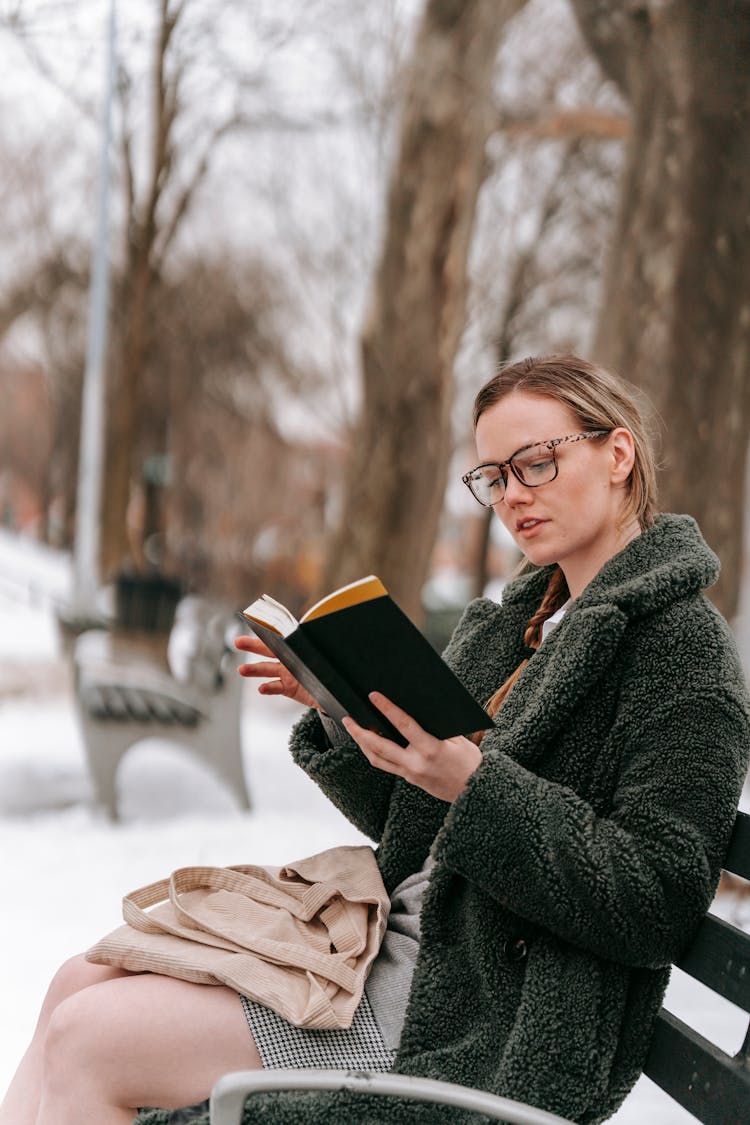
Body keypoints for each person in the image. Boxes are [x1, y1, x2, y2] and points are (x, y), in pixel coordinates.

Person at [3, 354, 748, 1125]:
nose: (513, 495)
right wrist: (336, 705)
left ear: (617, 453)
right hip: (387, 950)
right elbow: (412, 820)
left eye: (535, 462)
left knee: (87, 1041)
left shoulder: (680, 648)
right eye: (494, 476)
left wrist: (472, 783)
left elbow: (658, 898)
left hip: (477, 1013)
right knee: (74, 984)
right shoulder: (523, 623)